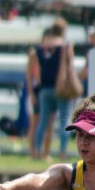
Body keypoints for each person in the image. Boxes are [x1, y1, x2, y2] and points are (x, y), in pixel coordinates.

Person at [27, 20, 71, 161]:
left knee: (43, 122)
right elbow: (67, 67)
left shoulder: (40, 49)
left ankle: (36, 151)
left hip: (44, 88)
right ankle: (62, 152)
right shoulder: (64, 47)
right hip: (61, 88)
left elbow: (36, 74)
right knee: (64, 120)